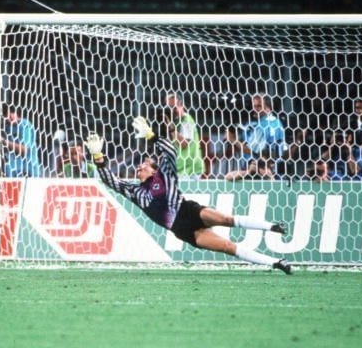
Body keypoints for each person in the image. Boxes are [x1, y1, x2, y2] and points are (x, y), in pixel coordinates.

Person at [84, 116, 292, 274]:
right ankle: (276, 263)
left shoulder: (164, 175)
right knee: (228, 247)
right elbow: (110, 180)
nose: (139, 167)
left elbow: (171, 152)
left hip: (190, 211)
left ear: (154, 169)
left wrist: (151, 136)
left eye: (144, 165)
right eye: (138, 166)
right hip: (182, 230)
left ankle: (272, 226)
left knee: (227, 220)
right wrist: (98, 157)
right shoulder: (134, 191)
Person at [237, 94, 286, 165]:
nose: (255, 109)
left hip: (260, 170)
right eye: (254, 106)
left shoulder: (264, 124)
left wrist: (232, 139)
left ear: (268, 108)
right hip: (276, 168)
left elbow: (252, 150)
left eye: (259, 106)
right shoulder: (277, 122)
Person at [164, 93, 204, 179]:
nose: (171, 110)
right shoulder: (175, 121)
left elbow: (184, 144)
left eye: (173, 107)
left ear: (181, 105)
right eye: (169, 107)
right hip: (181, 168)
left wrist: (171, 127)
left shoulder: (187, 120)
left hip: (191, 169)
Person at [2, 105, 41, 177]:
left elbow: (24, 149)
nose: (10, 116)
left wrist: (3, 141)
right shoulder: (7, 128)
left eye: (12, 112)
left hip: (29, 171)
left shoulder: (25, 125)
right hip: (14, 172)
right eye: (7, 114)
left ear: (17, 112)